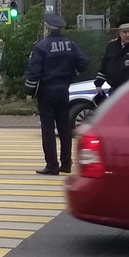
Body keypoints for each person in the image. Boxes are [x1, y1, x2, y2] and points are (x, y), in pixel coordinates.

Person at [24, 12, 88, 175]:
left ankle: (52, 165)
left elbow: (34, 71)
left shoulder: (41, 46)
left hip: (47, 91)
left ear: (47, 28)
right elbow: (83, 62)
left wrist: (29, 91)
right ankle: (66, 163)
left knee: (48, 129)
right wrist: (72, 73)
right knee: (64, 129)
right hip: (64, 90)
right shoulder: (70, 44)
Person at [98, 21, 129, 89]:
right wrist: (99, 84)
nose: (128, 35)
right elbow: (104, 66)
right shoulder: (112, 46)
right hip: (114, 89)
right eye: (125, 32)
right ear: (119, 32)